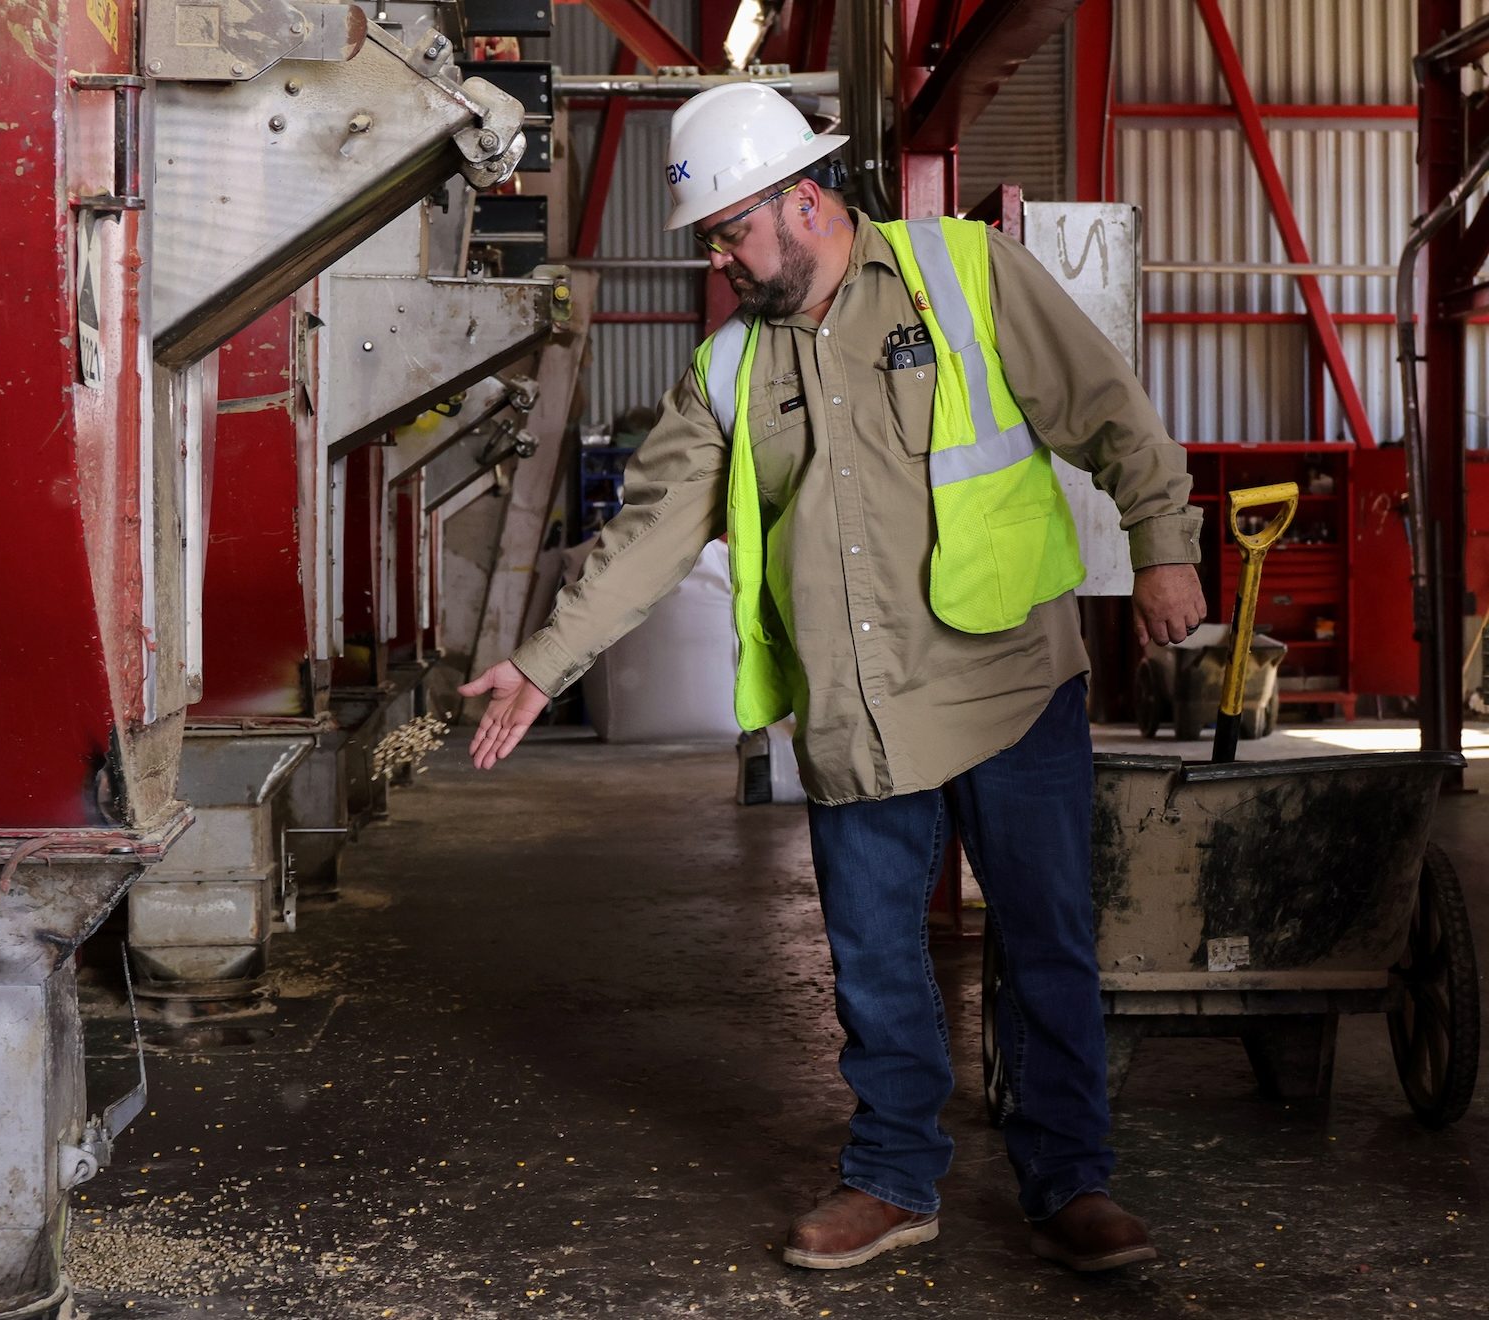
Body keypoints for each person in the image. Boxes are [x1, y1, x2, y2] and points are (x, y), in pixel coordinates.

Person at [459, 84, 1207, 1274]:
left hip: (1005, 676)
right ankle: (892, 1179)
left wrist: (1162, 543)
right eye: (708, 240)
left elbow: (1104, 409)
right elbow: (648, 533)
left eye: (728, 232)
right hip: (858, 704)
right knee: (870, 957)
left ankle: (1068, 1181)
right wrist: (544, 665)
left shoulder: (960, 277)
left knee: (1047, 940)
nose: (716, 260)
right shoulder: (724, 368)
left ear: (802, 202)